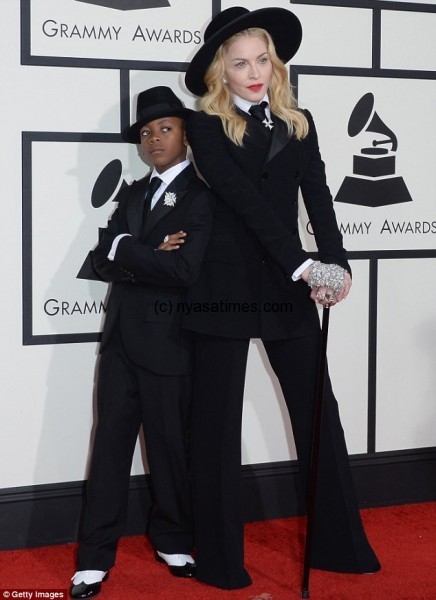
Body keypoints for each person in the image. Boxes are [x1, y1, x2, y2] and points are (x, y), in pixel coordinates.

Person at [181, 6, 381, 590]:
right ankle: (219, 561)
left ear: (275, 61)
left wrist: (337, 262)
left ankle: (340, 547)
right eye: (240, 62)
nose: (254, 72)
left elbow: (317, 195)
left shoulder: (300, 120)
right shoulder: (204, 126)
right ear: (222, 70)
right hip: (224, 285)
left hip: (285, 285)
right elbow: (244, 201)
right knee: (216, 427)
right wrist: (304, 265)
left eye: (262, 59)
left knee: (321, 414)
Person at [69, 86, 213, 598]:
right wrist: (138, 247)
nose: (154, 138)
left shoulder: (202, 195)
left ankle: (174, 537)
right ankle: (93, 557)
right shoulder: (131, 193)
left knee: (169, 447)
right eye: (147, 132)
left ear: (186, 134)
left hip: (169, 343)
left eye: (165, 128)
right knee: (107, 449)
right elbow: (99, 260)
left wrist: (127, 247)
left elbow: (183, 268)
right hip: (119, 343)